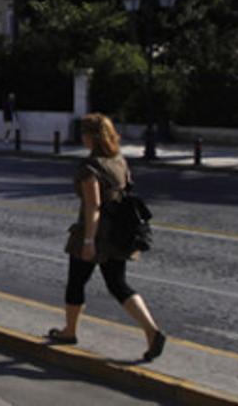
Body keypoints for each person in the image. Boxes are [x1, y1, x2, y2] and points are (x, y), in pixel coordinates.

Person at [47, 112, 165, 362]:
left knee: (76, 282)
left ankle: (69, 331)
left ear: (91, 137)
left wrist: (89, 241)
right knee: (118, 284)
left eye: (84, 133)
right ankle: (151, 331)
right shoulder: (119, 161)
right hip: (118, 233)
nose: (82, 138)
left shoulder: (90, 167)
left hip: (95, 233)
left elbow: (93, 206)